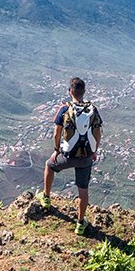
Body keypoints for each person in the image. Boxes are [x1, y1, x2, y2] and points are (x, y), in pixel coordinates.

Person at [40, 77, 103, 235]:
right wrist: (94, 151)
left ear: (71, 92)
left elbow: (57, 133)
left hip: (68, 155)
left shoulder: (64, 109)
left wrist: (56, 150)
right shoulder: (93, 110)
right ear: (84, 92)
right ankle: (80, 223)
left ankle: (46, 198)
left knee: (49, 165)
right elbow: (98, 133)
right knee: (83, 190)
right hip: (86, 156)